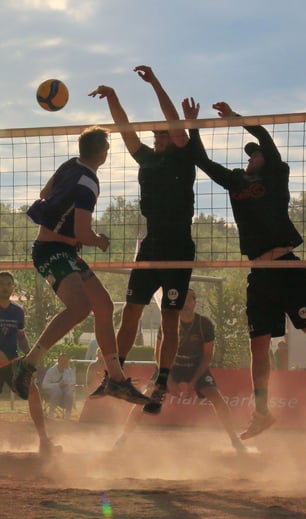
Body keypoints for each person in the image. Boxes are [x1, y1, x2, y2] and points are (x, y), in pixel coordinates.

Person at [186, 98, 306, 440]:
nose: (251, 157)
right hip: (259, 273)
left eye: (254, 154)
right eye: (249, 155)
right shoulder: (237, 182)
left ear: (266, 160)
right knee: (258, 345)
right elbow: (202, 160)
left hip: (286, 268)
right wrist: (193, 126)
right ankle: (262, 412)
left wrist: (235, 118)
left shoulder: (277, 175)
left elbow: (264, 136)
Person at [89, 65, 199, 415]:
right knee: (131, 311)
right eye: (157, 134)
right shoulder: (148, 159)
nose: (159, 137)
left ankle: (161, 381)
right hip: (152, 245)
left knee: (169, 319)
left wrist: (154, 83)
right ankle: (115, 376)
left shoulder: (184, 157)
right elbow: (125, 130)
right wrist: (113, 97)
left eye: (164, 133)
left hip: (178, 247)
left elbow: (173, 120)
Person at [14, 126, 149, 407]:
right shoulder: (88, 183)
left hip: (64, 251)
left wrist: (61, 212)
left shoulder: (70, 165)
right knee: (80, 307)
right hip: (51, 251)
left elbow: (44, 193)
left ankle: (116, 379)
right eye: (108, 148)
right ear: (103, 154)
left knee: (104, 305)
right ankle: (29, 364)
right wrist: (99, 241)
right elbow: (83, 232)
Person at [114, 289, 247, 453]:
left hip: (195, 368)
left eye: (190, 300)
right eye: (183, 300)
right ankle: (123, 438)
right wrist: (168, 379)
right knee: (146, 396)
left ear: (195, 303)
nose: (186, 304)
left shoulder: (204, 324)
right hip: (170, 367)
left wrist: (193, 382)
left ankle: (235, 440)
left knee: (216, 397)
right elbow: (158, 354)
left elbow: (207, 357)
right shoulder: (169, 322)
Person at [0, 272, 56, 453]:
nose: (5, 287)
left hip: (12, 362)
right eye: (1, 284)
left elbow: (21, 337)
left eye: (8, 284)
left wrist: (30, 356)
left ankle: (44, 439)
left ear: (13, 288)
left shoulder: (18, 311)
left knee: (32, 391)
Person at [41, 354, 76, 419]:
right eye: (64, 361)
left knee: (69, 392)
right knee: (57, 391)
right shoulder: (51, 371)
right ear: (59, 362)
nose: (66, 363)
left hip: (65, 392)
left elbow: (72, 383)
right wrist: (57, 385)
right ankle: (51, 413)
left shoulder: (70, 371)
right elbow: (44, 385)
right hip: (52, 392)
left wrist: (69, 386)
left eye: (67, 361)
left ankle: (68, 414)